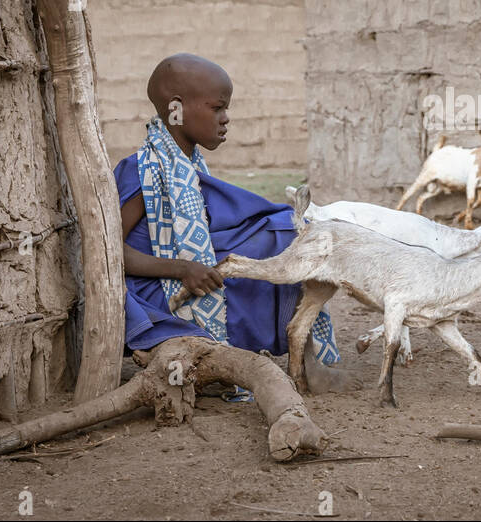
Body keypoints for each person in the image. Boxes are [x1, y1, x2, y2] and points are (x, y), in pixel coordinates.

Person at [114, 53, 354, 394]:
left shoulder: (188, 167)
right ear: (177, 108)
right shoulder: (141, 171)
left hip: (183, 271)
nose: (225, 119)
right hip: (156, 289)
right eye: (217, 108)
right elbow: (110, 255)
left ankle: (303, 354)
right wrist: (183, 268)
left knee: (287, 231)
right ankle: (252, 360)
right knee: (277, 239)